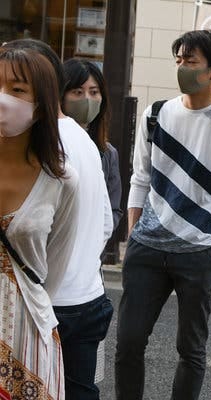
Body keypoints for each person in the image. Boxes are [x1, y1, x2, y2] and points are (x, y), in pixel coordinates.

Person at [115, 30, 211, 400]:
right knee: (128, 342)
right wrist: (132, 234)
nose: (182, 67)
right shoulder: (155, 114)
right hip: (147, 247)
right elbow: (140, 178)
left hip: (200, 252)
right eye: (179, 60)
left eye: (190, 61)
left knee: (191, 351)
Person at [3, 39, 113, 400]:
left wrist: (33, 297)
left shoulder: (57, 162)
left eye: (18, 88)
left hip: (44, 309)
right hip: (82, 296)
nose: (6, 98)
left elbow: (56, 250)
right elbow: (104, 225)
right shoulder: (86, 142)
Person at [0, 46, 79, 400]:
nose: (3, 98)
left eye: (17, 90)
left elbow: (54, 269)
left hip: (27, 332)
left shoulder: (61, 180)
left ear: (41, 103)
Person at [62, 58, 122, 234]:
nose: (87, 99)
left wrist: (96, 238)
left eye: (94, 92)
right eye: (78, 92)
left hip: (91, 253)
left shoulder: (107, 153)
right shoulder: (48, 143)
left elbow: (113, 209)